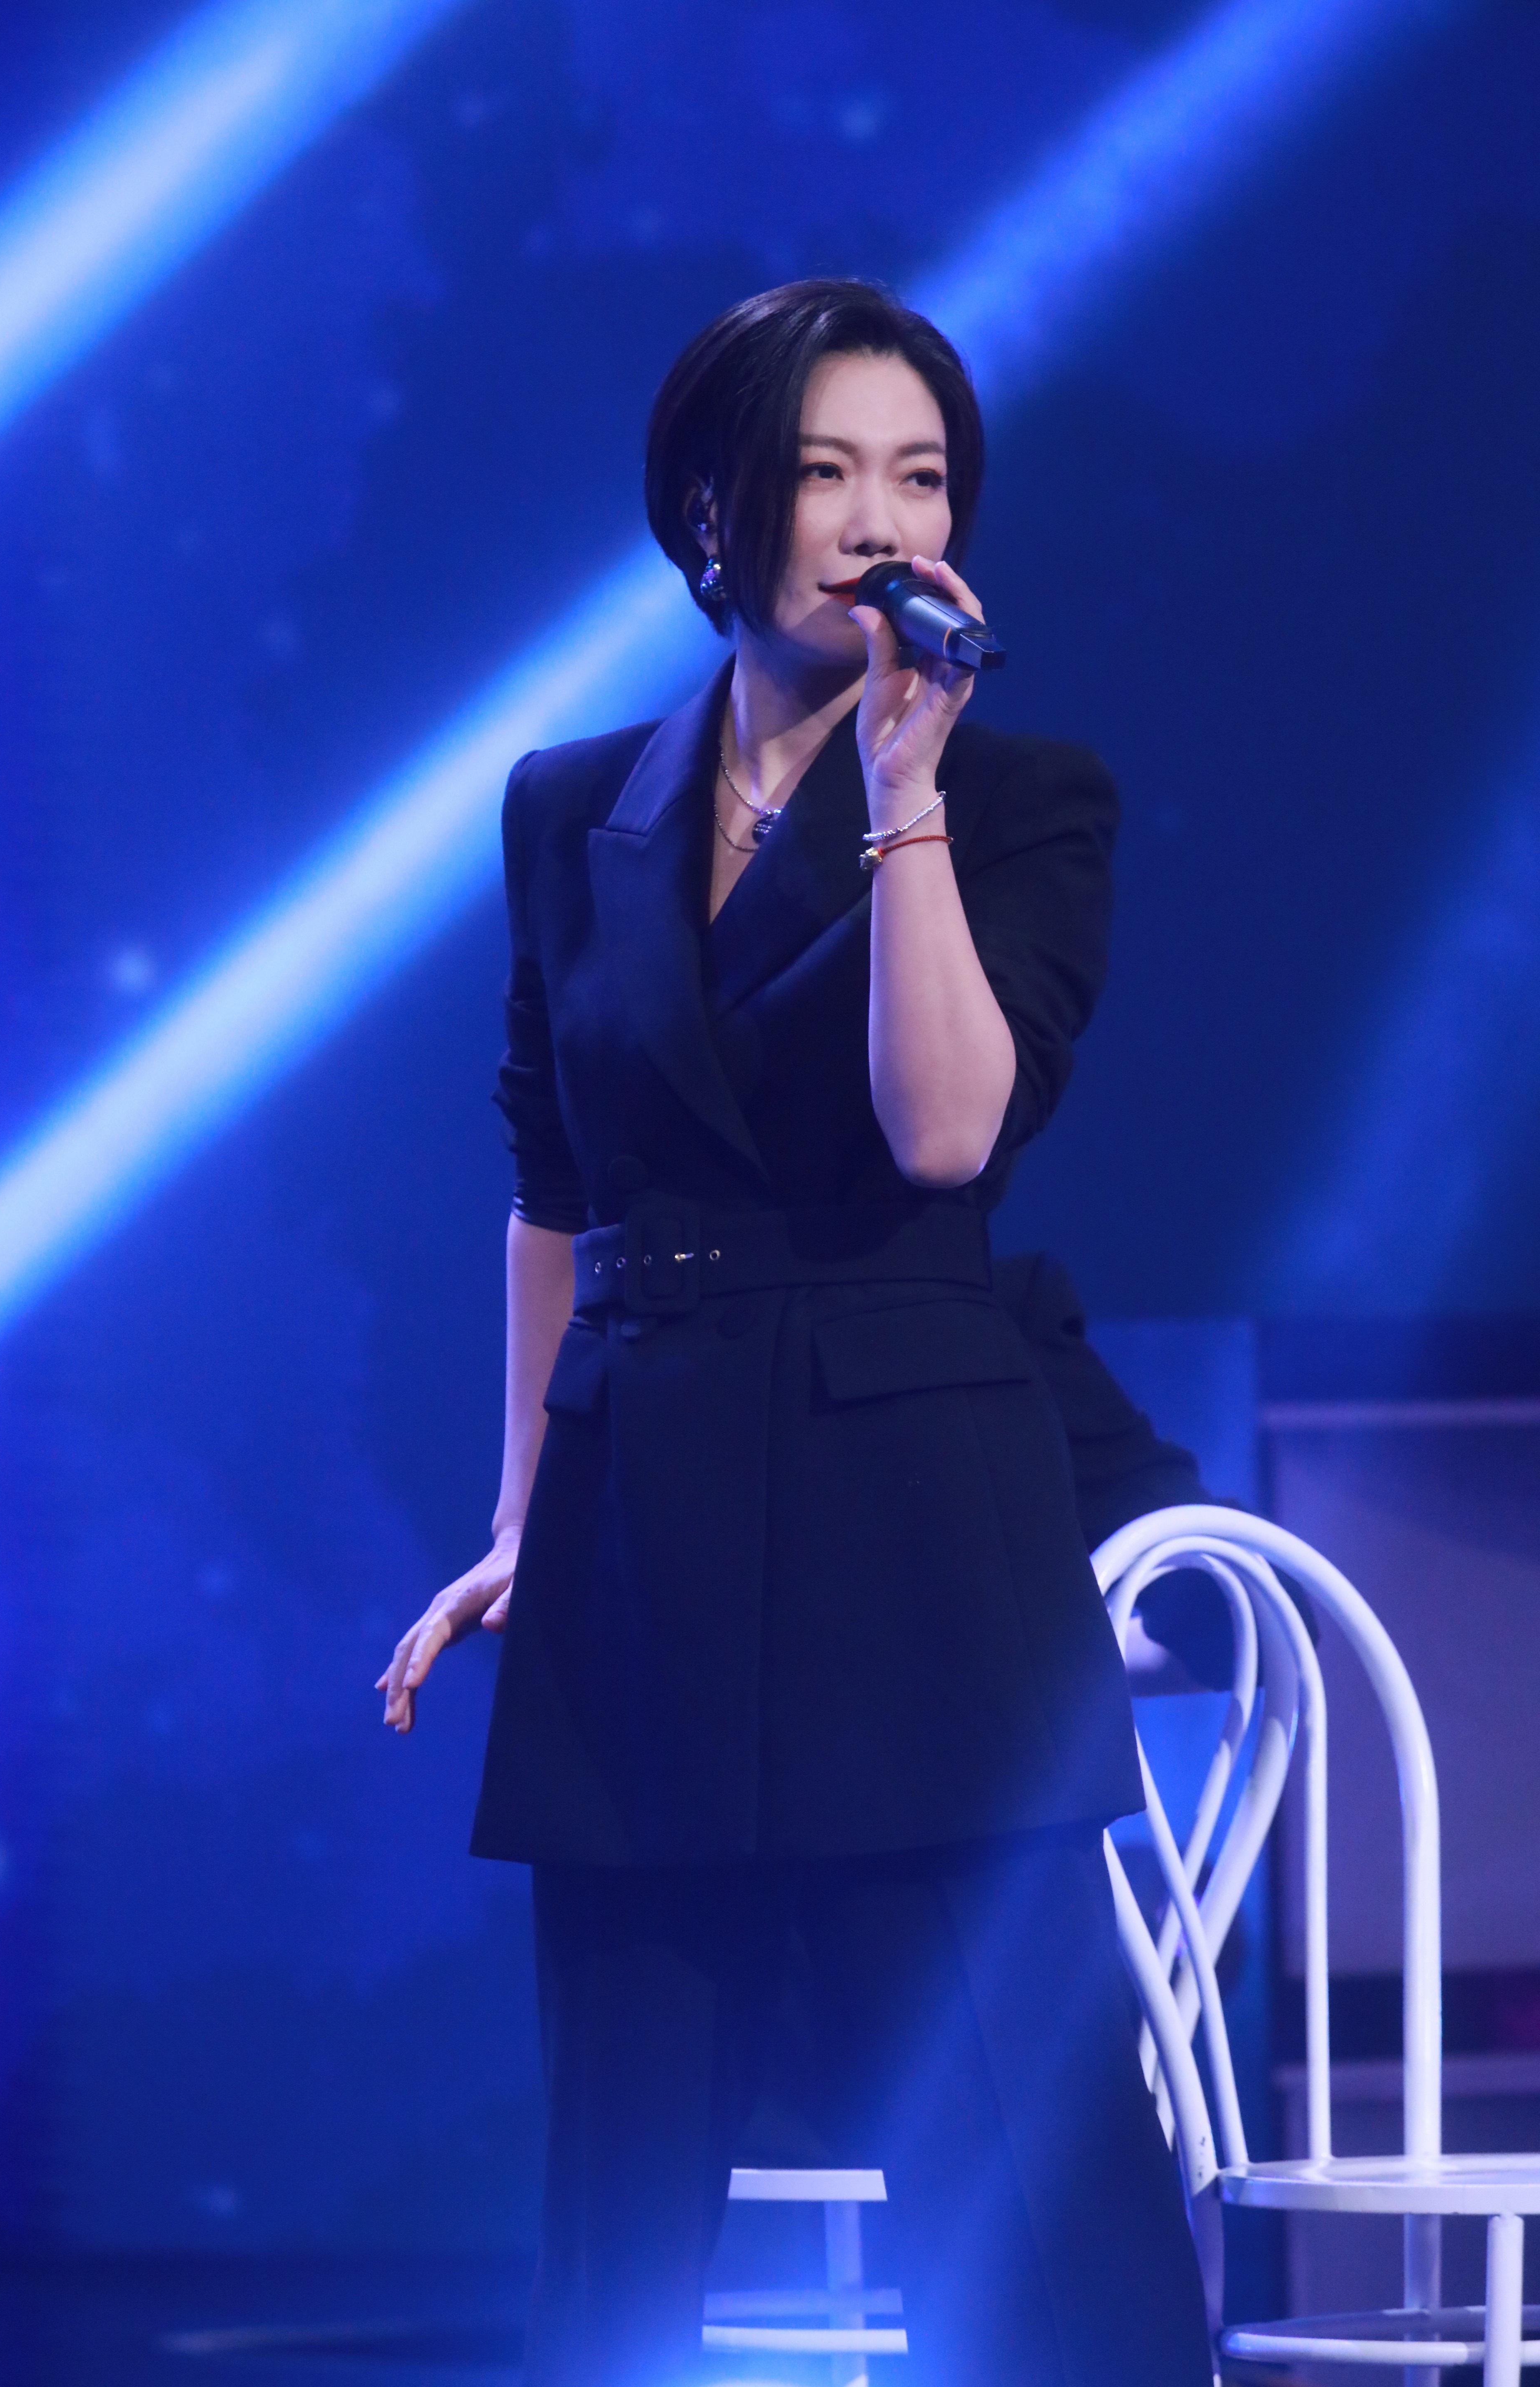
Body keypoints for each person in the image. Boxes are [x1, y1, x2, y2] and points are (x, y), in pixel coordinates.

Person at [378, 279, 1214, 2387]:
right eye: (827, 470)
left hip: (918, 1556)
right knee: (621, 2235)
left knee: (1037, 2231)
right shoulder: (571, 807)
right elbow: (550, 1182)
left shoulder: (1028, 799)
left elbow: (946, 1130)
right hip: (640, 1548)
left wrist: (907, 791)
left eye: (919, 478)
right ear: (712, 510)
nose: (877, 520)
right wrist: (522, 1515)